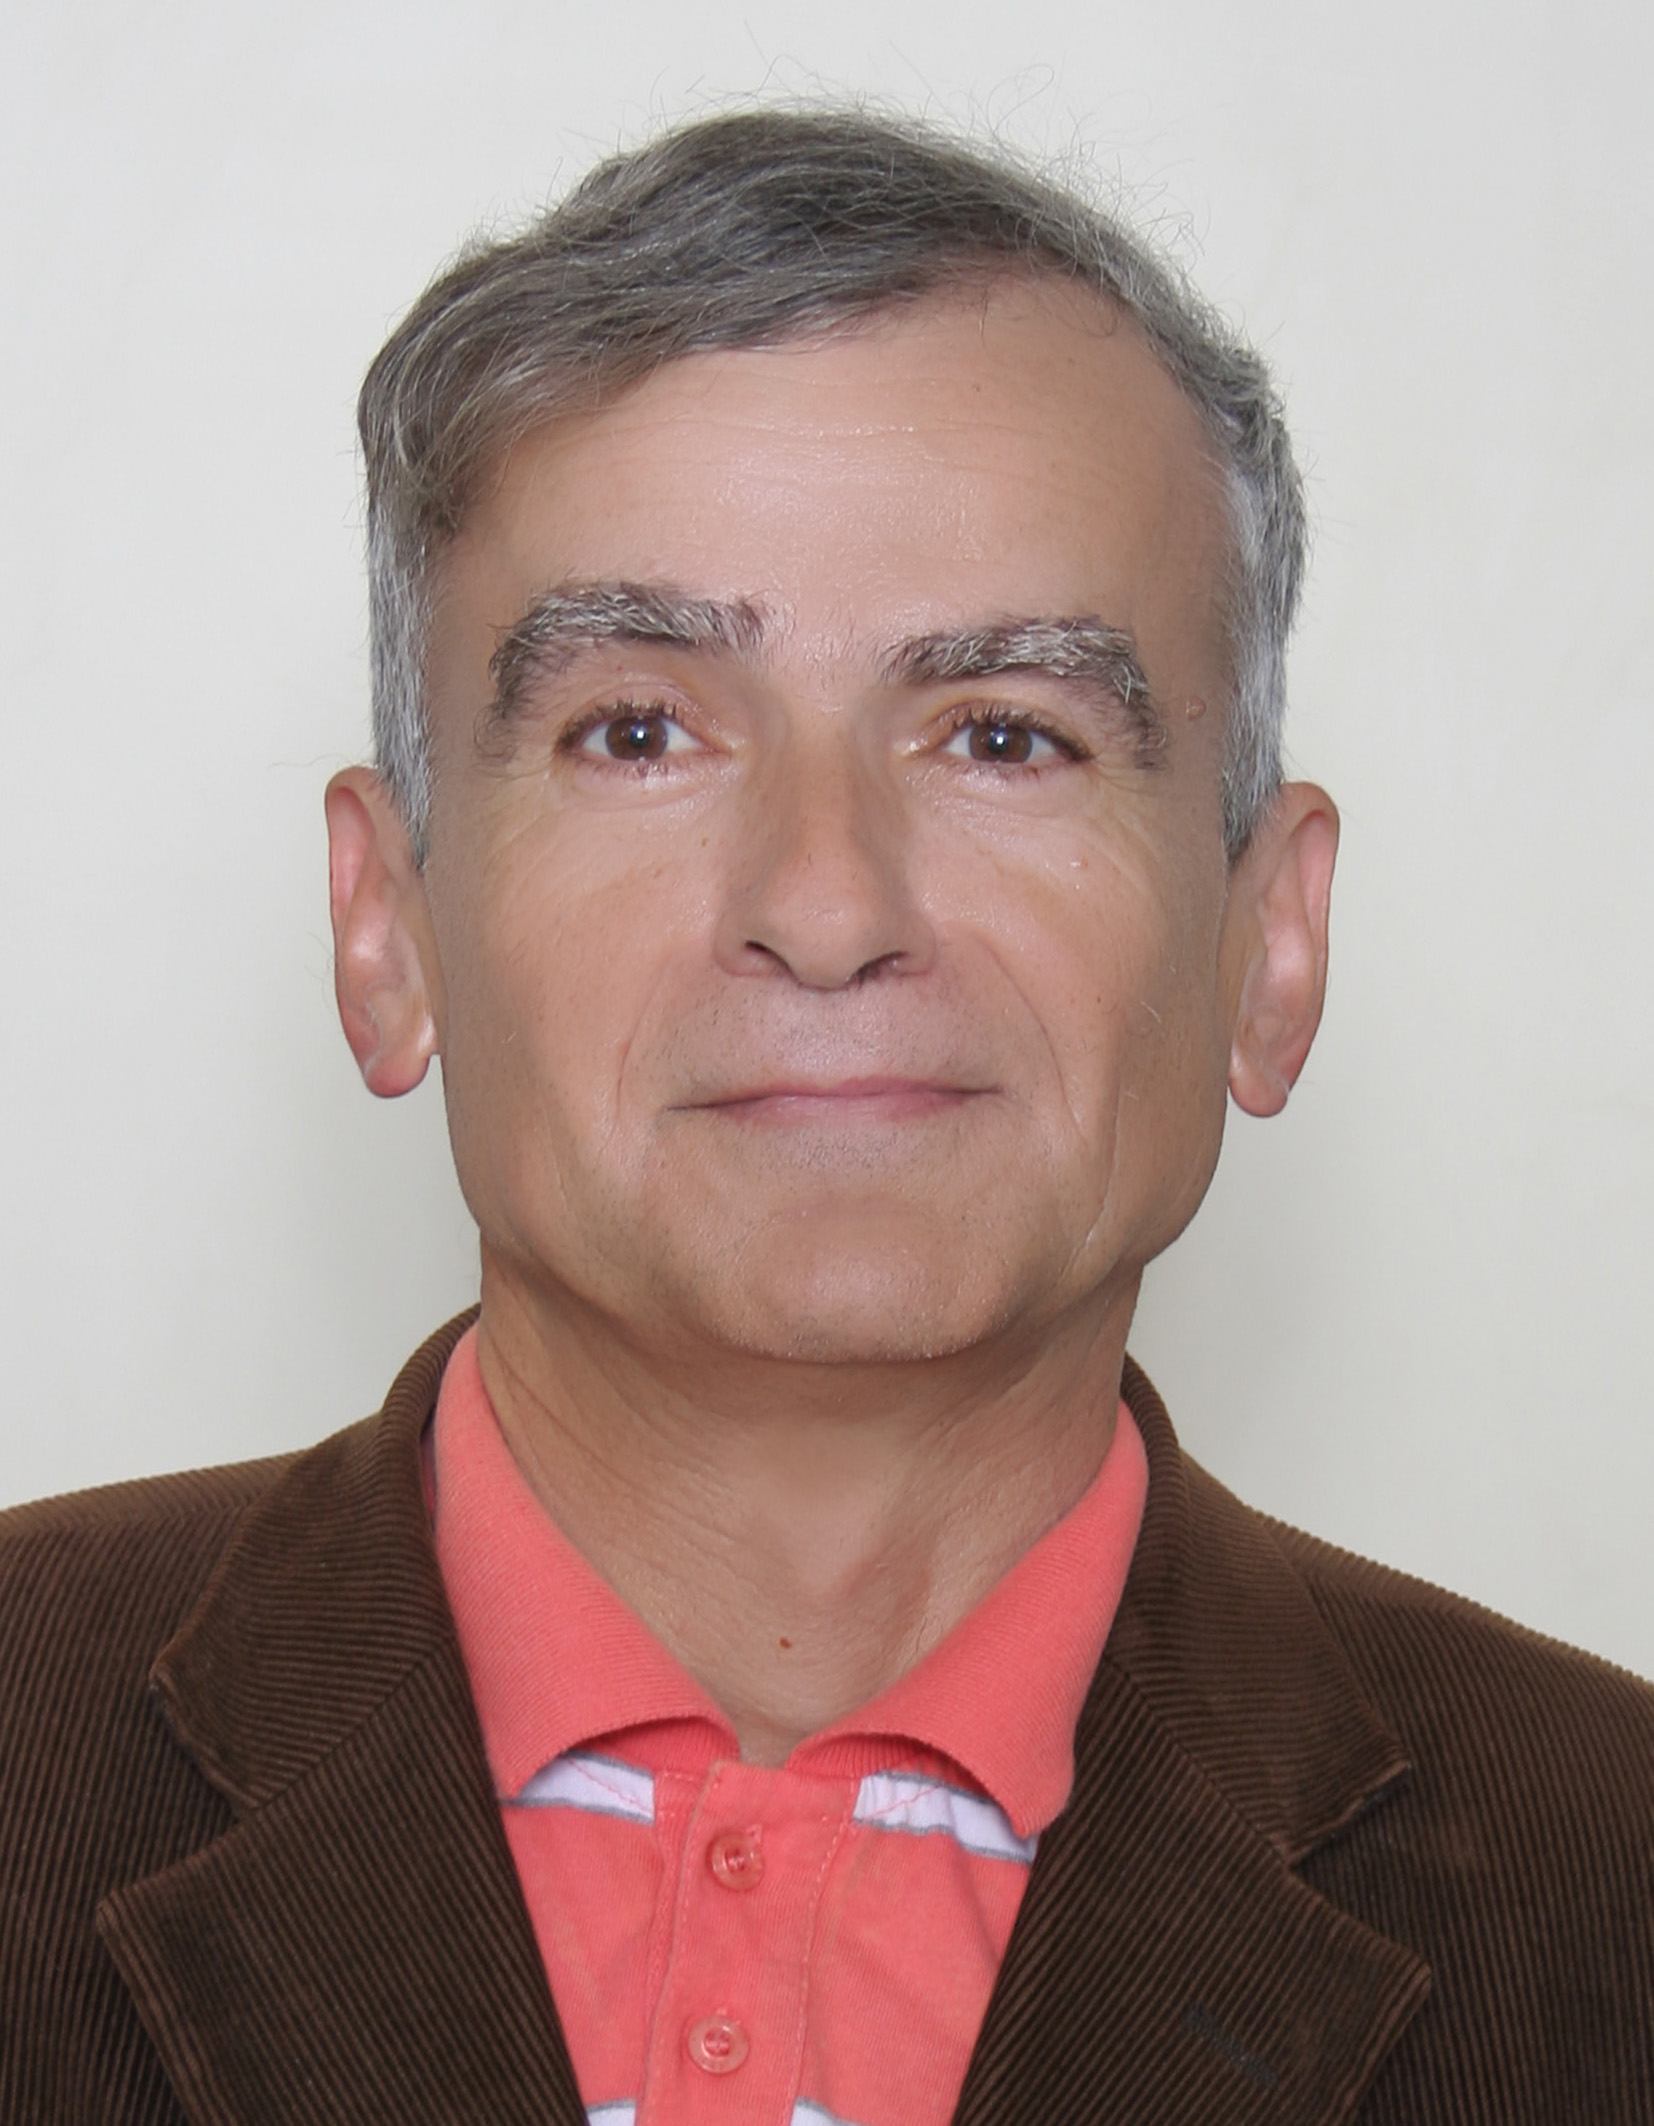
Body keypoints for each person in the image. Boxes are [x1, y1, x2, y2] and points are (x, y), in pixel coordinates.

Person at [2, 106, 1650, 2126]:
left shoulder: (1610, 1884)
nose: (826, 901)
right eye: (637, 730)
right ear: (386, 926)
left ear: (1266, 945)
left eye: (1004, 734)